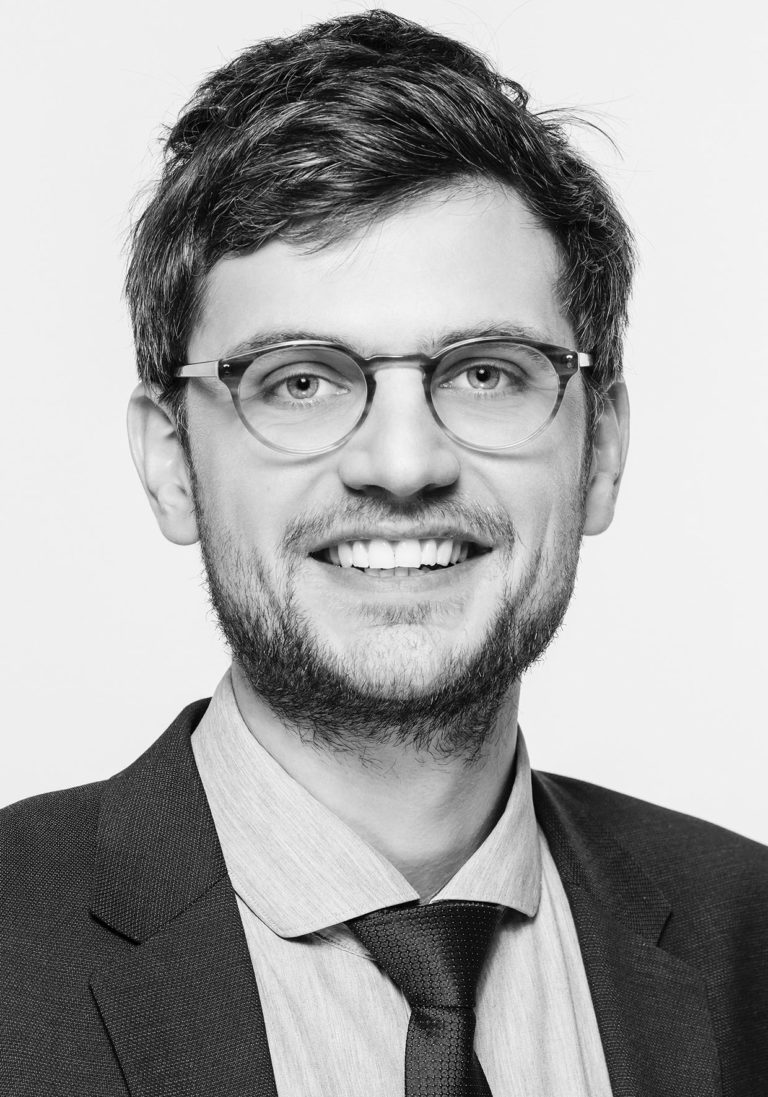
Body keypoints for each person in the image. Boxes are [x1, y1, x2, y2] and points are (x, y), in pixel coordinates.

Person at [1, 10, 766, 1096]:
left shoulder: (751, 939)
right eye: (301, 381)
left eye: (487, 372)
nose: (403, 463)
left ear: (599, 449)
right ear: (172, 460)